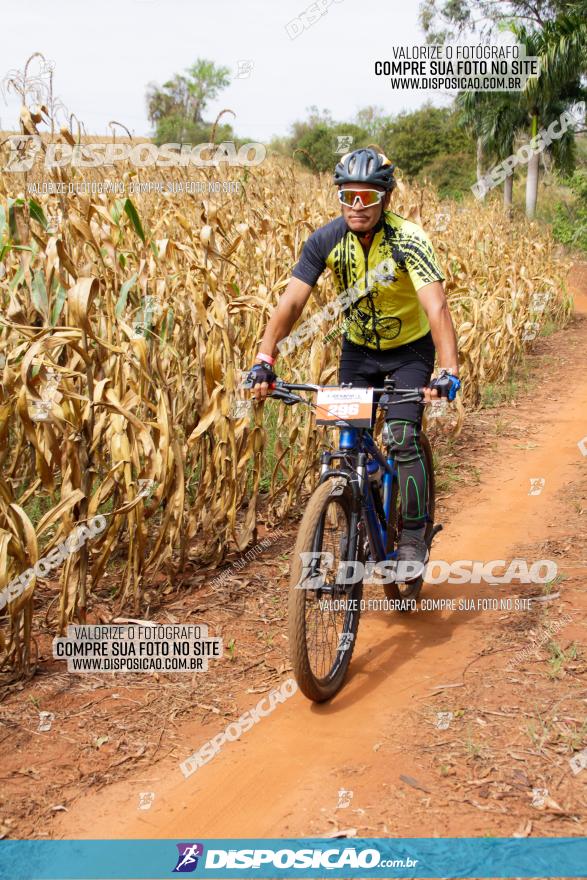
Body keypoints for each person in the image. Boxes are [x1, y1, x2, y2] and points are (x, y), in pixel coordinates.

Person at [248, 147, 460, 569]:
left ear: (386, 198)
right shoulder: (326, 240)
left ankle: (414, 535)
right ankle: (359, 512)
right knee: (347, 445)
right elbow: (291, 302)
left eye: (367, 196)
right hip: (358, 353)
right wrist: (264, 358)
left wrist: (448, 370)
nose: (357, 206)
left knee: (400, 436)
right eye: (348, 196)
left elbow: (436, 306)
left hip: (410, 353)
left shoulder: (409, 240)